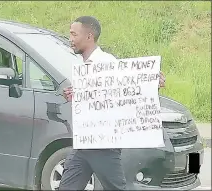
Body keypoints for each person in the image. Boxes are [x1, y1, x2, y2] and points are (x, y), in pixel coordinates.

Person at [59, 16, 166, 190]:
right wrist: (73, 95)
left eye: (73, 34)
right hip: (83, 143)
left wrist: (151, 80)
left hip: (104, 146)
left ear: (89, 36)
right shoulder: (81, 66)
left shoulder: (106, 63)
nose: (70, 39)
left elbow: (127, 90)